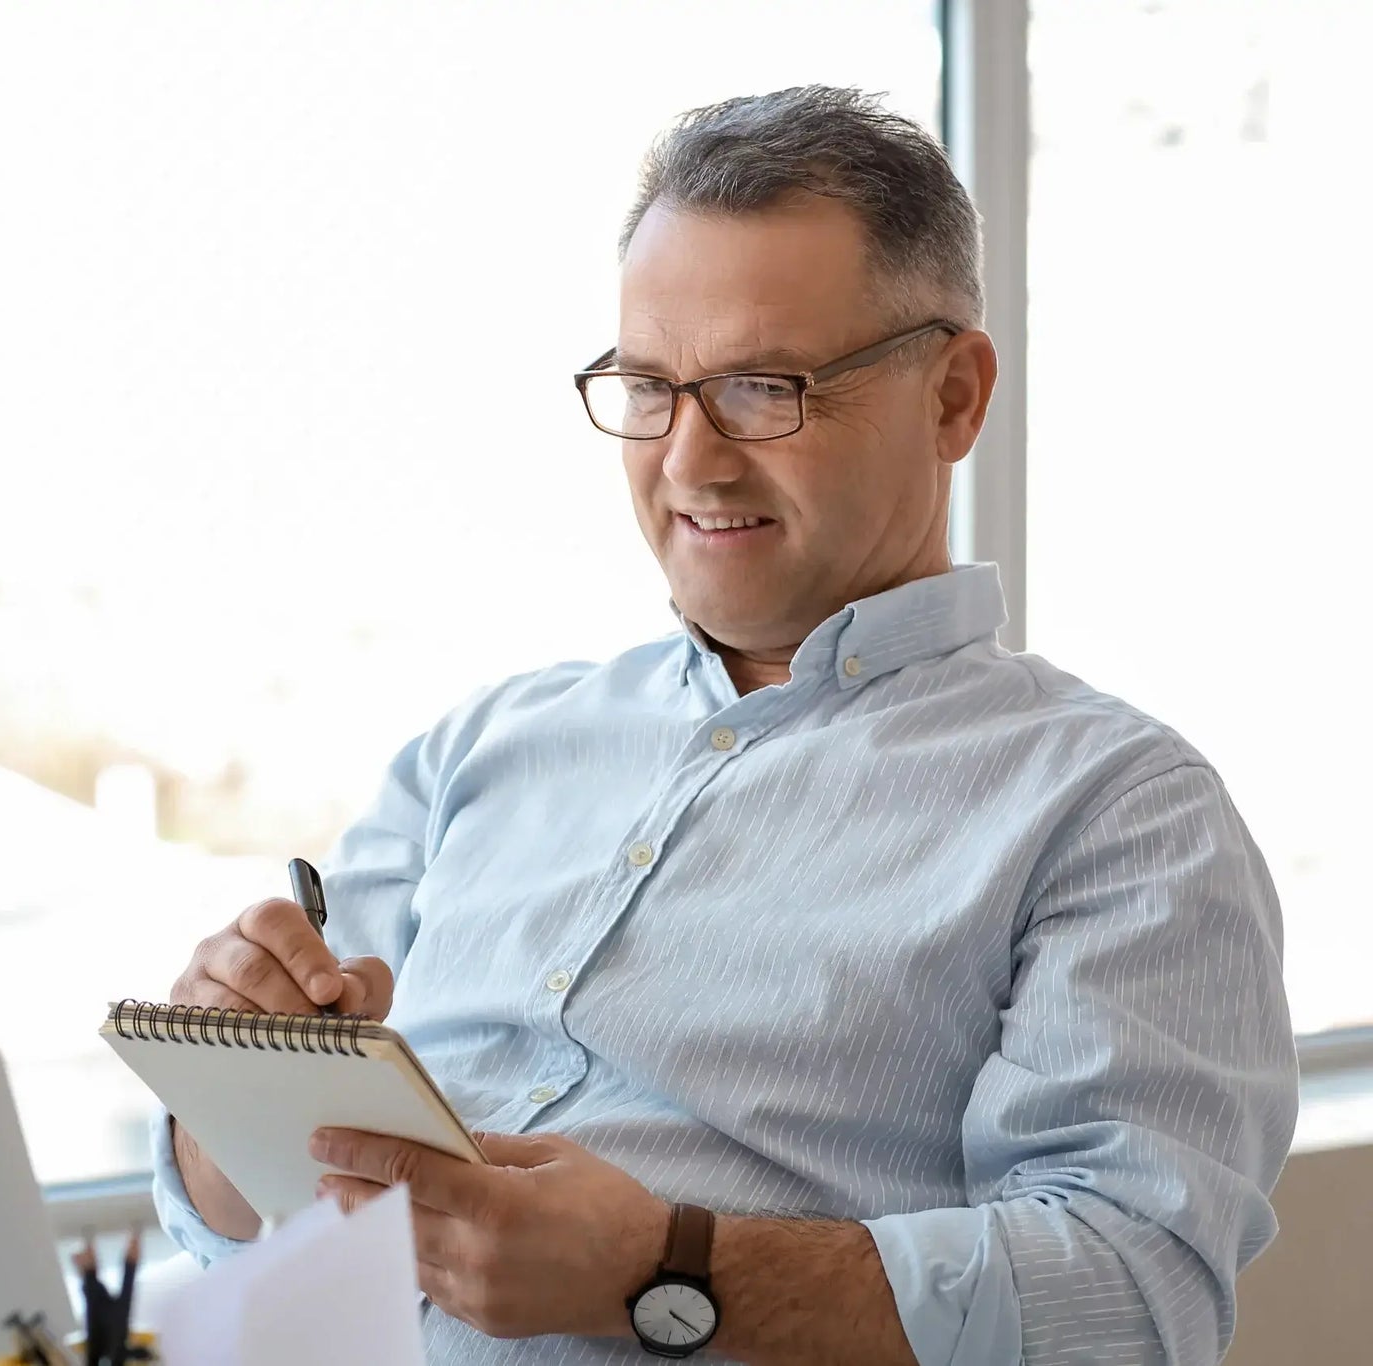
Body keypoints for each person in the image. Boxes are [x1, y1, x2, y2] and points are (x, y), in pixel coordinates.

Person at [150, 85, 1296, 1365]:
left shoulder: (1113, 810)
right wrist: (230, 1081)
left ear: (953, 398)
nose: (688, 459)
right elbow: (248, 1214)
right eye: (648, 386)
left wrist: (660, 1270)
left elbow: (1133, 1298)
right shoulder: (476, 752)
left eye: (763, 386)